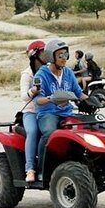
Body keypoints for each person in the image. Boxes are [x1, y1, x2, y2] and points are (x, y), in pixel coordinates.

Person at [33, 39, 89, 178]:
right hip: (48, 113)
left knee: (86, 129)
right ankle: (41, 170)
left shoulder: (68, 72)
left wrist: (94, 100)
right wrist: (52, 98)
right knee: (49, 133)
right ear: (51, 56)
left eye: (66, 55)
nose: (64, 59)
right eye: (60, 56)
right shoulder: (41, 75)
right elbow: (37, 100)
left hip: (67, 113)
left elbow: (78, 93)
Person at [20, 40, 46, 183]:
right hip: (31, 112)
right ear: (35, 55)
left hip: (49, 110)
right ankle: (30, 169)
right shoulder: (27, 74)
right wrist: (33, 90)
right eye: (43, 52)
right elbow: (23, 96)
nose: (47, 55)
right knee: (33, 132)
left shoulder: (50, 70)